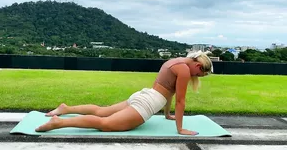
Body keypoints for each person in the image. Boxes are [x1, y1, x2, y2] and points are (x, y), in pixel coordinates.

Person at [35, 51, 214, 135]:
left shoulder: (175, 61)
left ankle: (65, 109)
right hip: (147, 103)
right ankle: (58, 123)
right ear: (198, 66)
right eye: (200, 74)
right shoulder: (183, 69)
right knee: (105, 124)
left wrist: (167, 115)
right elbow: (180, 101)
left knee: (100, 111)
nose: (197, 76)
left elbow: (169, 92)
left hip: (144, 95)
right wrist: (180, 129)